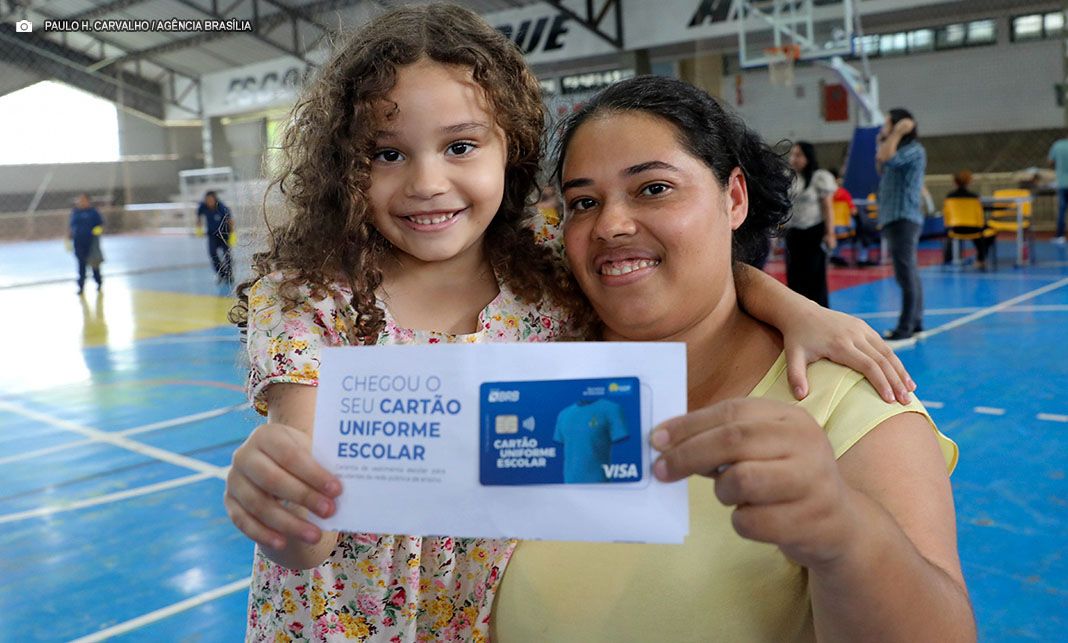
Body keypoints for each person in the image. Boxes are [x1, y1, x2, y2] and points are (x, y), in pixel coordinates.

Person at [223, 6, 917, 641]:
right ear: (347, 166)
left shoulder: (544, 273)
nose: (427, 181)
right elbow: (307, 515)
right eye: (387, 153)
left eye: (461, 146)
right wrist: (278, 510)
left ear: (511, 150)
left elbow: (668, 257)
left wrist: (795, 307)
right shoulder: (310, 297)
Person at [491, 74, 973, 642]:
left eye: (653, 189)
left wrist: (845, 532)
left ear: (734, 197)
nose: (611, 225)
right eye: (583, 202)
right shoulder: (530, 367)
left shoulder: (849, 399)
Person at [876, 108, 927, 341]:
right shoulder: (897, 147)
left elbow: (887, 159)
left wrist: (894, 134)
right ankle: (915, 322)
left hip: (903, 218)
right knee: (908, 273)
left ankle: (905, 327)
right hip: (893, 218)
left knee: (906, 274)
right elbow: (880, 162)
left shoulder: (914, 150)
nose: (883, 127)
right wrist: (885, 139)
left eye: (887, 123)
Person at [784, 142, 836, 306]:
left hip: (814, 232)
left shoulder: (819, 177)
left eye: (798, 155)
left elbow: (827, 207)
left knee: (815, 277)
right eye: (792, 155)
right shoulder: (789, 177)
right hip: (794, 233)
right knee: (794, 276)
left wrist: (830, 233)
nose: (793, 159)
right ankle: (799, 314)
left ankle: (821, 314)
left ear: (808, 157)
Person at [944, 170, 993, 269]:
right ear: (969, 182)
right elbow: (980, 215)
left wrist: (948, 226)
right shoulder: (974, 197)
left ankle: (950, 258)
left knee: (954, 236)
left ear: (954, 182)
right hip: (974, 228)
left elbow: (947, 214)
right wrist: (980, 225)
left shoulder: (949, 197)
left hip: (955, 228)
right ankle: (981, 259)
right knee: (990, 232)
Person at [69, 193, 104, 295]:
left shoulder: (93, 212)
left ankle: (99, 283)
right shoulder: (75, 212)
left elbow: (100, 225)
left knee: (94, 265)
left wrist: (96, 233)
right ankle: (81, 286)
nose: (81, 202)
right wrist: (69, 236)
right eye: (80, 200)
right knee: (81, 265)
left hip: (91, 242)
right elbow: (72, 226)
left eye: (83, 200)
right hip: (79, 243)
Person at [196, 190, 234, 284]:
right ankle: (221, 274)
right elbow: (199, 217)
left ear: (215, 199)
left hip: (224, 235)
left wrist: (233, 234)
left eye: (211, 200)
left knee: (227, 255)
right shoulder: (202, 207)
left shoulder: (222, 207)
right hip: (212, 235)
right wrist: (199, 229)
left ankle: (229, 274)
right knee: (212, 253)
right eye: (207, 200)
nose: (209, 202)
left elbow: (230, 221)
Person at [1049, 133, 1068, 244]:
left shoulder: (1057, 145)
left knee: (1062, 210)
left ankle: (1060, 236)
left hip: (1062, 183)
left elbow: (1050, 162)